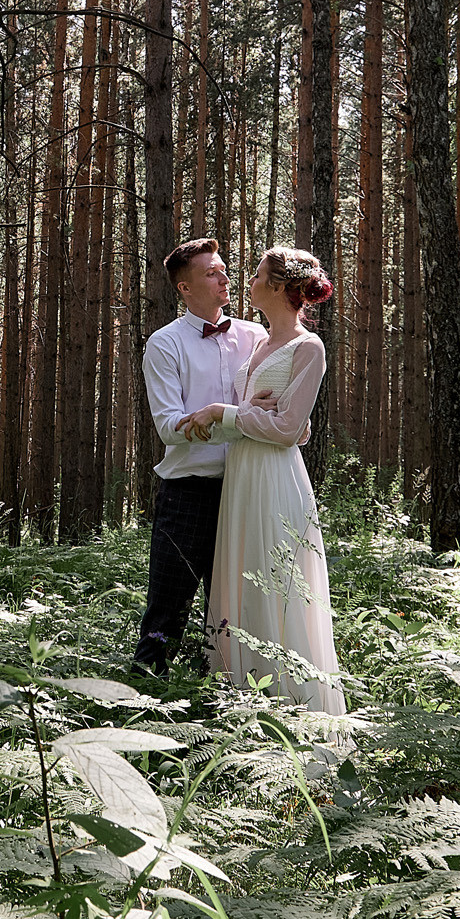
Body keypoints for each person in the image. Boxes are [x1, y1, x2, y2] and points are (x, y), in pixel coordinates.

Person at [177, 246, 348, 714]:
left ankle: (291, 709)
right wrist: (254, 414)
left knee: (278, 582)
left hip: (275, 478)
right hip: (242, 476)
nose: (245, 281)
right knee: (240, 579)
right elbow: (283, 420)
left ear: (277, 287)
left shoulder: (308, 346)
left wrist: (226, 413)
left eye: (255, 274)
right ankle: (239, 709)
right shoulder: (258, 344)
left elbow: (292, 429)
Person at [134, 238, 265, 673]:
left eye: (223, 268)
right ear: (185, 288)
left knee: (238, 606)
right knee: (167, 606)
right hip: (187, 493)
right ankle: (146, 693)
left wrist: (214, 418)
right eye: (211, 272)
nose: (224, 276)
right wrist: (231, 418)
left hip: (247, 488)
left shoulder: (255, 335)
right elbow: (170, 426)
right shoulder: (164, 344)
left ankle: (223, 698)